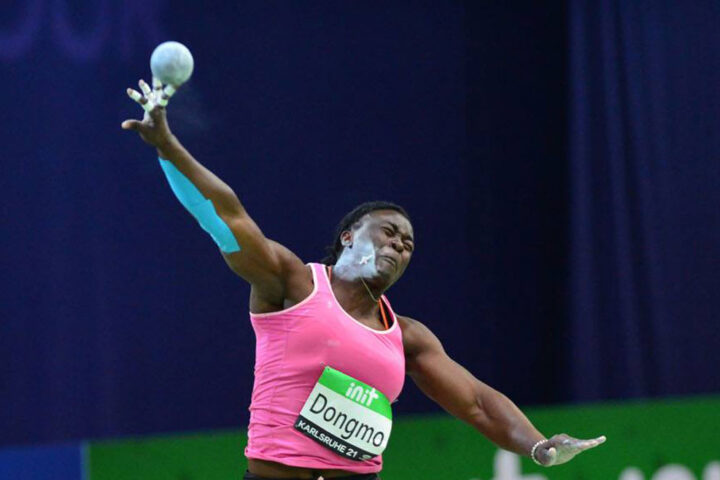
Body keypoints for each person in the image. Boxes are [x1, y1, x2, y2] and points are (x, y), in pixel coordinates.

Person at [122, 77, 606, 480]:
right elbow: (223, 216)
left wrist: (539, 445)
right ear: (349, 236)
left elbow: (477, 402)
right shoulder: (292, 285)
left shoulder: (408, 338)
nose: (400, 245)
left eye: (408, 244)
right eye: (389, 232)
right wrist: (168, 148)